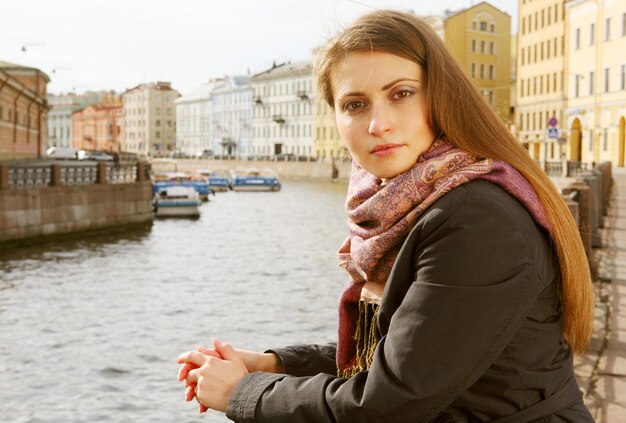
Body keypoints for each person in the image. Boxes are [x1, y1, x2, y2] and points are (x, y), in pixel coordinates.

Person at [176, 10, 595, 422]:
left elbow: (390, 401)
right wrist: (270, 364)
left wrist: (242, 393)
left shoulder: (476, 219)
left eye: (401, 93)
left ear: (440, 95)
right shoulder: (414, 202)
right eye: (355, 104)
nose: (378, 123)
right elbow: (405, 349)